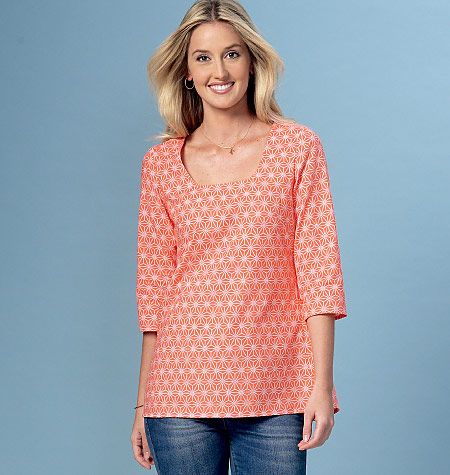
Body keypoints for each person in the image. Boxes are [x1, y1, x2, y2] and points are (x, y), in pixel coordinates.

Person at [130, 1, 348, 473]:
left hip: (278, 389)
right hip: (179, 390)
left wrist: (320, 386)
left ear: (251, 62)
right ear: (187, 73)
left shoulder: (297, 148)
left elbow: (319, 273)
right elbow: (155, 293)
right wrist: (143, 402)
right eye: (203, 58)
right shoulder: (161, 165)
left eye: (232, 54)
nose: (220, 71)